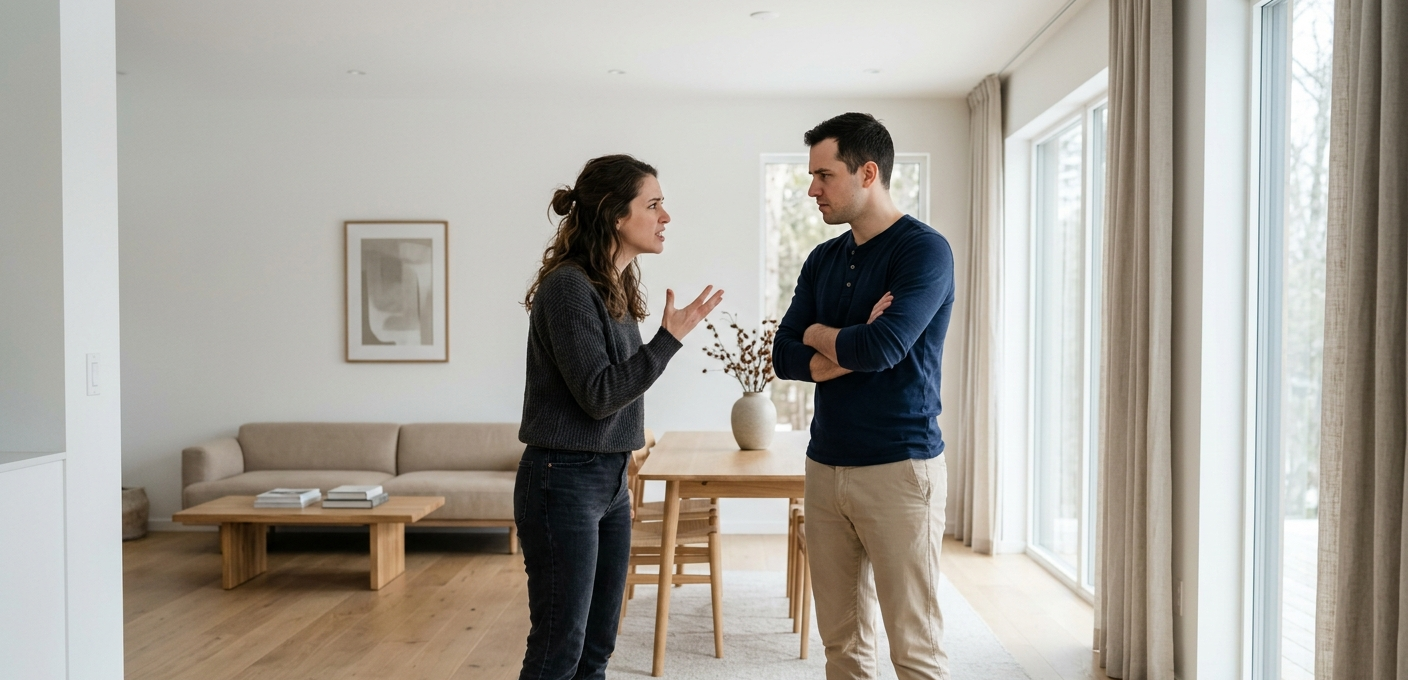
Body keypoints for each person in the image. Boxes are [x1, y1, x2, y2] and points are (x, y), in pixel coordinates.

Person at [516, 154, 723, 680]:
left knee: (598, 647)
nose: (665, 217)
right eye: (652, 204)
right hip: (561, 481)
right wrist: (669, 341)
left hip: (608, 481)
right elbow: (599, 394)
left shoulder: (617, 287)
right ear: (614, 214)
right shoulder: (568, 288)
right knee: (560, 645)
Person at [773, 113, 956, 680]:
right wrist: (847, 344)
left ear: (868, 172)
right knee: (842, 648)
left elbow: (882, 348)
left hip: (900, 469)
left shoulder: (924, 252)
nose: (812, 189)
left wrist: (820, 335)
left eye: (824, 175)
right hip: (825, 467)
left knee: (914, 649)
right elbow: (781, 354)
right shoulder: (822, 259)